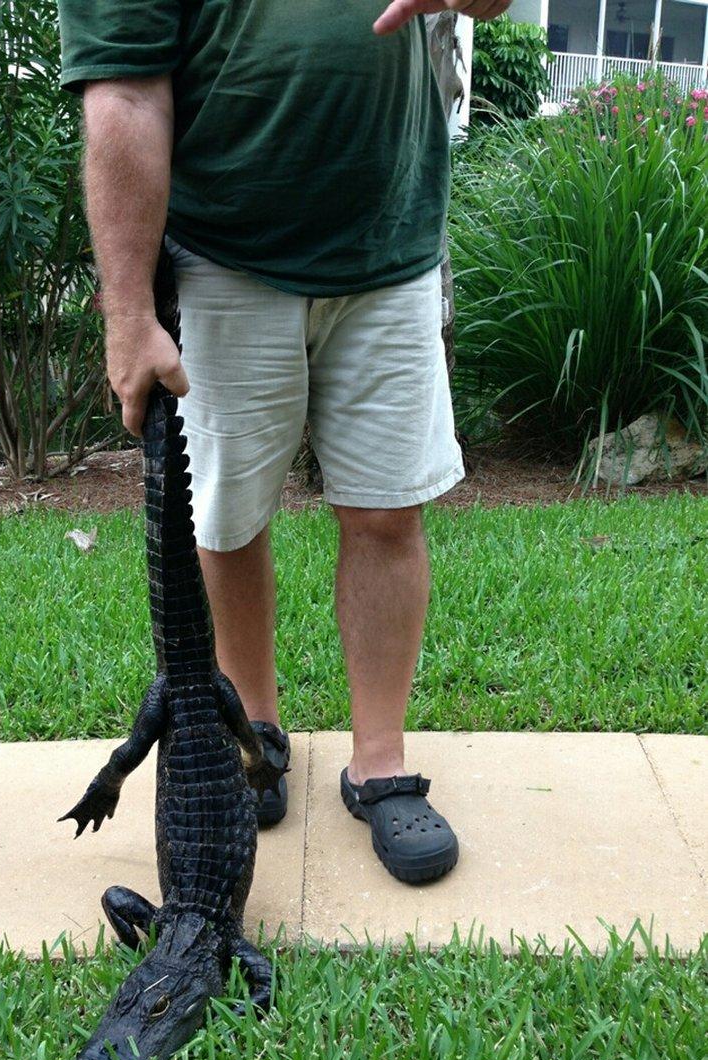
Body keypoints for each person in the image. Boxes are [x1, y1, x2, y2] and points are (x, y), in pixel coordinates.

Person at [57, 0, 511, 884]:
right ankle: (254, 733)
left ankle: (379, 762)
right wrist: (128, 311)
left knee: (386, 512)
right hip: (223, 253)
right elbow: (125, 92)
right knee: (226, 516)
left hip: (390, 248)